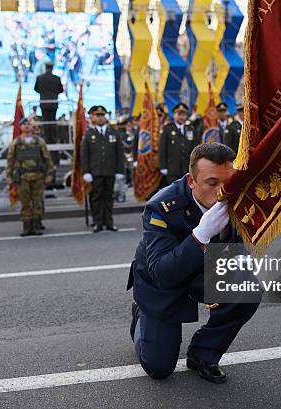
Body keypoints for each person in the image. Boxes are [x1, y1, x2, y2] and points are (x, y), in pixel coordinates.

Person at [127, 143, 260, 383]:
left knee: (247, 287)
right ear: (191, 181)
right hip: (163, 280)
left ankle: (203, 353)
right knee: (159, 367)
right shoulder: (162, 207)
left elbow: (239, 251)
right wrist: (201, 235)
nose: (222, 192)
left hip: (203, 270)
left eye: (227, 182)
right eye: (212, 183)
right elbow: (164, 274)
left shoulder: (236, 199)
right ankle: (140, 314)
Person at [6, 118, 54, 236]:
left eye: (29, 124)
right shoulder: (16, 142)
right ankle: (27, 226)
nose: (27, 126)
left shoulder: (39, 142)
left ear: (32, 127)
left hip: (38, 176)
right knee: (25, 202)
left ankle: (37, 225)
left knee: (37, 201)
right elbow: (10, 160)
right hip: (23, 177)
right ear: (20, 127)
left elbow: (47, 158)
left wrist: (49, 173)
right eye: (24, 124)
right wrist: (9, 175)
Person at [81, 105, 125, 233]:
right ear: (93, 118)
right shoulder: (89, 135)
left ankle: (109, 222)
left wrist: (120, 170)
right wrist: (86, 172)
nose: (100, 118)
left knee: (108, 197)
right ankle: (98, 222)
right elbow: (85, 156)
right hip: (95, 172)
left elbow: (119, 154)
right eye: (97, 116)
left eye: (102, 115)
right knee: (96, 197)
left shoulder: (114, 133)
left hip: (110, 171)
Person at [159, 103, 200, 185]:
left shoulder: (190, 129)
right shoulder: (168, 129)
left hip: (187, 169)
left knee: (187, 193)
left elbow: (196, 148)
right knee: (173, 194)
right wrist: (163, 166)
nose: (181, 117)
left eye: (184, 114)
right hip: (172, 169)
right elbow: (162, 149)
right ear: (174, 115)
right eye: (179, 114)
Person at [34, 61, 64, 143]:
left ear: (45, 67)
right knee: (52, 120)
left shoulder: (40, 78)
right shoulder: (57, 79)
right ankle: (53, 138)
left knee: (45, 120)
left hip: (44, 103)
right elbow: (61, 90)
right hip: (53, 103)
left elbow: (36, 89)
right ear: (52, 68)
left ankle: (46, 137)